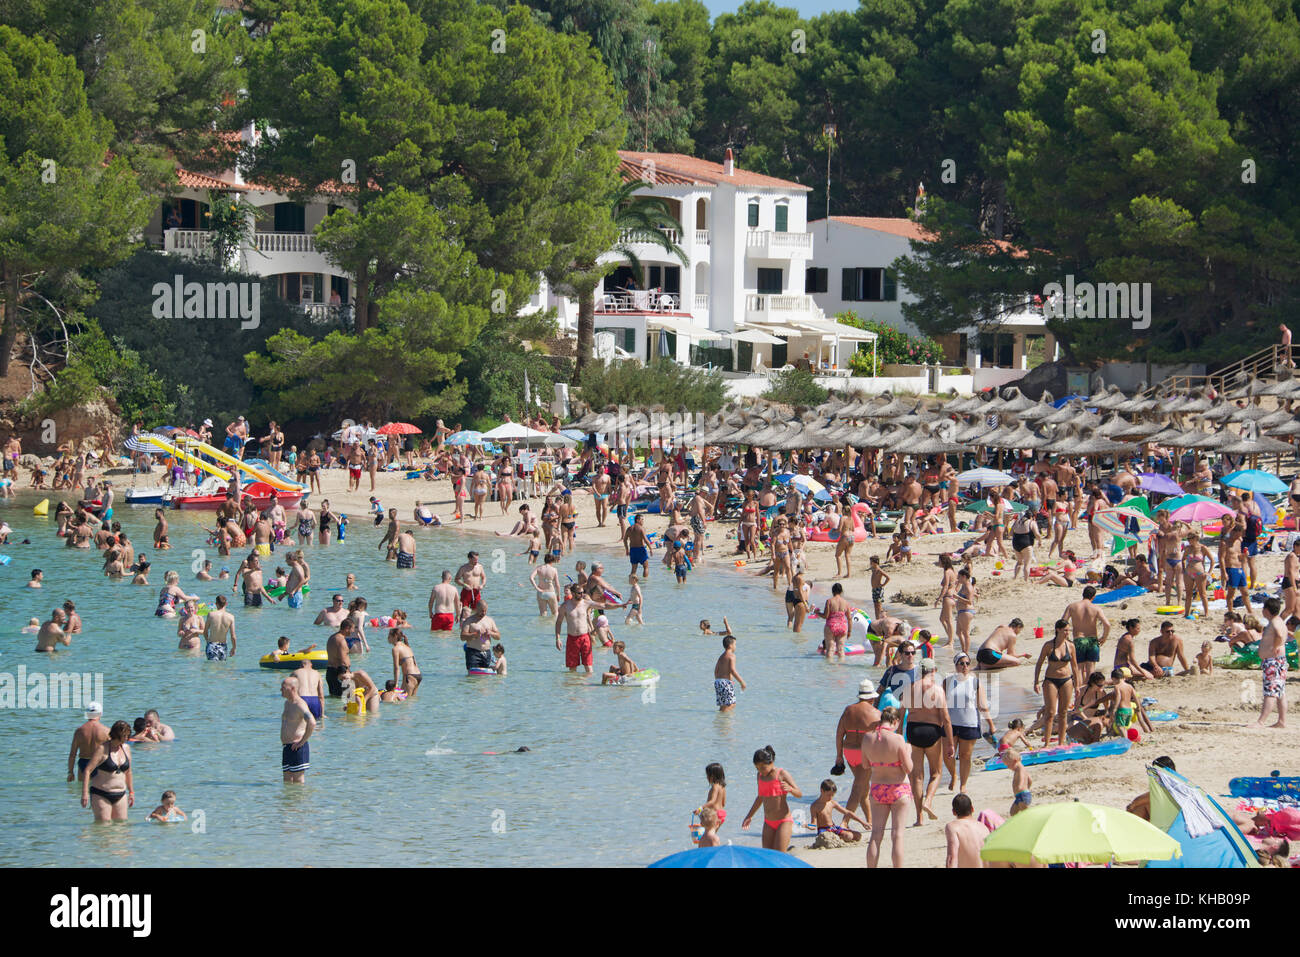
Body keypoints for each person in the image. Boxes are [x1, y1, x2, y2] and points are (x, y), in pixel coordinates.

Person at [902, 658, 954, 826]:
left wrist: (899, 738)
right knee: (936, 773)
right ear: (934, 670)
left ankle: (919, 818)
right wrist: (951, 743)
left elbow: (900, 714)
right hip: (932, 731)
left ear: (920, 671)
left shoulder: (909, 689)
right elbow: (946, 719)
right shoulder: (938, 690)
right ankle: (928, 801)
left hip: (913, 730)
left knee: (916, 777)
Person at [863, 707, 913, 868]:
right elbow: (909, 768)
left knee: (876, 835)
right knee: (897, 835)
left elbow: (865, 765)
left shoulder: (867, 738)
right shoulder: (897, 739)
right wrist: (908, 751)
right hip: (898, 788)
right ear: (895, 721)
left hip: (877, 788)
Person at [944, 652, 996, 794]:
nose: (965, 666)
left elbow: (982, 705)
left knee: (965, 756)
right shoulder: (948, 681)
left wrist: (991, 724)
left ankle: (963, 785)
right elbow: (940, 703)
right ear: (956, 665)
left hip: (970, 723)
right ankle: (953, 775)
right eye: (961, 663)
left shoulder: (975, 682)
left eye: (967, 663)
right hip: (950, 724)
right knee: (948, 755)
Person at [833, 679, 881, 829]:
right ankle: (845, 822)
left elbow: (839, 733)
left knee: (863, 787)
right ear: (872, 698)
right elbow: (880, 738)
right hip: (865, 753)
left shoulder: (848, 710)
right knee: (858, 787)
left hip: (848, 752)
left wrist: (839, 755)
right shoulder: (876, 713)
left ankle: (870, 821)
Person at [741, 746, 801, 852]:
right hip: (768, 822)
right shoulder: (759, 776)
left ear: (771, 762)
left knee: (779, 855)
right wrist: (749, 816)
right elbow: (760, 798)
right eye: (757, 768)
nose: (761, 771)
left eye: (763, 768)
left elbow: (799, 794)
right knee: (767, 855)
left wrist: (791, 789)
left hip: (784, 821)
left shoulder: (782, 774)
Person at [1064, 586, 1111, 702]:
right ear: (1093, 597)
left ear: (1083, 594)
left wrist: (1066, 638)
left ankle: (1078, 698)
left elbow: (1063, 622)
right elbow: (1107, 625)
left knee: (1078, 670)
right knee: (1091, 670)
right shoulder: (1096, 608)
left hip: (1078, 640)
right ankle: (1089, 697)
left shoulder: (1072, 606)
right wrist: (1104, 637)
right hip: (1092, 640)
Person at [1033, 620, 1076, 747]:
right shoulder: (1048, 646)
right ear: (1058, 630)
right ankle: (1046, 743)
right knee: (1050, 712)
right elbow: (1039, 663)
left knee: (1063, 712)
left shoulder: (1071, 646)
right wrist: (1036, 681)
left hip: (1067, 680)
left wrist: (1078, 685)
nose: (1067, 633)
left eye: (1068, 630)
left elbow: (1075, 666)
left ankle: (1061, 742)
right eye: (1065, 630)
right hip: (1050, 679)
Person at [81, 719, 134, 822]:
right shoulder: (102, 749)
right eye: (124, 736)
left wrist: (131, 791)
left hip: (121, 793)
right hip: (101, 793)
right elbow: (88, 770)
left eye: (128, 735)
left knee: (122, 825)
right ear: (116, 734)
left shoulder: (126, 748)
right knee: (104, 826)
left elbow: (128, 772)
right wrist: (85, 793)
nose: (127, 738)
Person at [1256, 597, 1288, 728]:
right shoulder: (1280, 621)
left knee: (1270, 692)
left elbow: (1279, 635)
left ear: (1266, 610)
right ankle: (1282, 721)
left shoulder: (1274, 623)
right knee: (1280, 693)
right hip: (1278, 661)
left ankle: (1261, 721)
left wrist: (1275, 646)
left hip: (1274, 662)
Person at [280, 675, 315, 784]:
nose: (281, 690)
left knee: (298, 782)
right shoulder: (287, 703)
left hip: (297, 747)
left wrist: (302, 742)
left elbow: (312, 722)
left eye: (283, 688)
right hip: (287, 747)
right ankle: (288, 801)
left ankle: (301, 801)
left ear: (293, 689)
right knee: (287, 781)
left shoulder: (300, 705)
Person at [67, 702, 109, 782]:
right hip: (100, 764)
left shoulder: (79, 731)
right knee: (100, 792)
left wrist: (70, 772)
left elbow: (72, 754)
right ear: (100, 714)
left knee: (82, 791)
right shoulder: (106, 731)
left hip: (84, 764)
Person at [945, 793, 986, 868]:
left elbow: (951, 858)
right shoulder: (982, 826)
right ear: (972, 809)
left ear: (953, 812)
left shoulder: (952, 827)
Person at [713, 634, 746, 711]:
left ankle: (720, 720)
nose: (735, 646)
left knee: (724, 705)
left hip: (718, 682)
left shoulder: (721, 656)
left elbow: (716, 670)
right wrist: (741, 682)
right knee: (731, 704)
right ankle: (725, 721)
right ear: (731, 645)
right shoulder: (731, 655)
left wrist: (719, 681)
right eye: (735, 644)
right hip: (725, 682)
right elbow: (732, 670)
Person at [821, 582, 852, 660]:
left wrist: (817, 613)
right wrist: (849, 632)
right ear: (841, 591)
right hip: (842, 627)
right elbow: (849, 618)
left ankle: (829, 669)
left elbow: (825, 616)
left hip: (831, 626)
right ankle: (841, 669)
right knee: (841, 650)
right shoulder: (846, 603)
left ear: (832, 591)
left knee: (830, 649)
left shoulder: (829, 601)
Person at [202, 594, 236, 661]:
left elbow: (205, 631)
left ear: (216, 604)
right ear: (226, 604)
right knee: (222, 669)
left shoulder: (211, 615)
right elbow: (233, 636)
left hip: (212, 644)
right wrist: (234, 648)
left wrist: (207, 641)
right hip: (223, 646)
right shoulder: (231, 617)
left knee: (212, 668)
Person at [699, 763, 727, 834]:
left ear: (712, 776)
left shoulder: (715, 786)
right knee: (712, 834)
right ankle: (715, 844)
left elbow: (712, 801)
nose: (706, 777)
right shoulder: (722, 787)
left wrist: (701, 808)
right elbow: (723, 803)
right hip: (722, 814)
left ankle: (712, 844)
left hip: (714, 814)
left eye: (707, 775)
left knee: (707, 835)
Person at [1005, 748, 1033, 815]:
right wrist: (1028, 787)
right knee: (1013, 812)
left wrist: (1020, 786)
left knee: (1025, 812)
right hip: (1019, 795)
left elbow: (1022, 778)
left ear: (1014, 761)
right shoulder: (1017, 769)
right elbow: (1030, 780)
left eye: (1008, 765)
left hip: (1023, 795)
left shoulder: (1020, 769)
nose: (1008, 767)